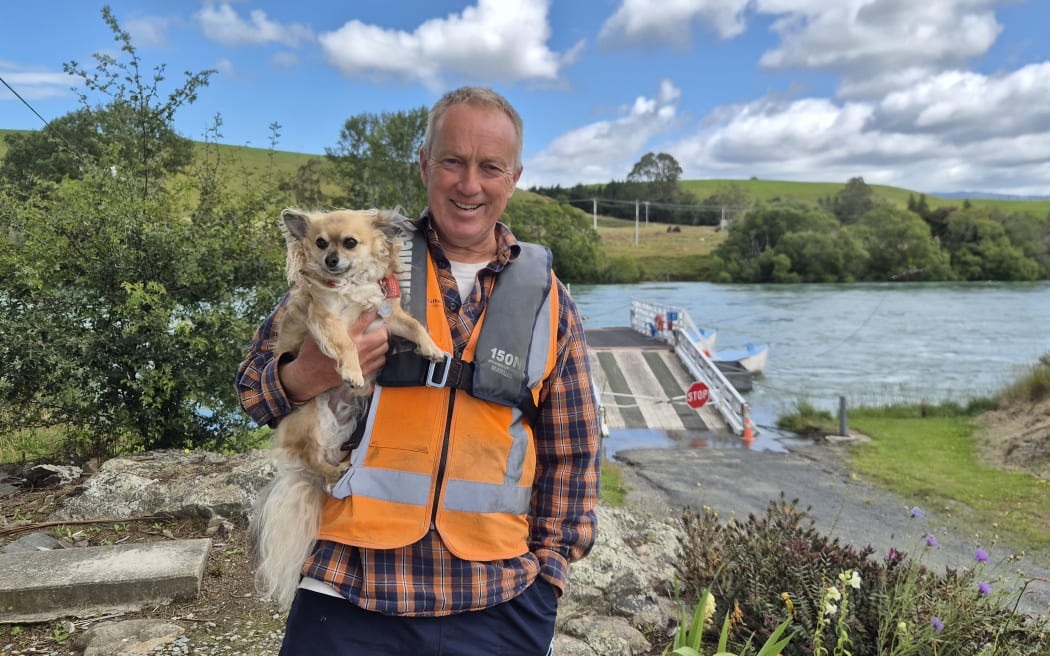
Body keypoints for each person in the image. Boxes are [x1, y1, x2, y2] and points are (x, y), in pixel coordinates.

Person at [236, 86, 602, 655]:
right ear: (425, 164)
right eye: (453, 161)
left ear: (514, 177)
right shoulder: (358, 258)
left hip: (499, 598)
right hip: (348, 584)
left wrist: (548, 577)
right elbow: (253, 393)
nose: (469, 184)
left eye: (490, 167)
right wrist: (307, 373)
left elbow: (574, 450)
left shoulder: (550, 300)